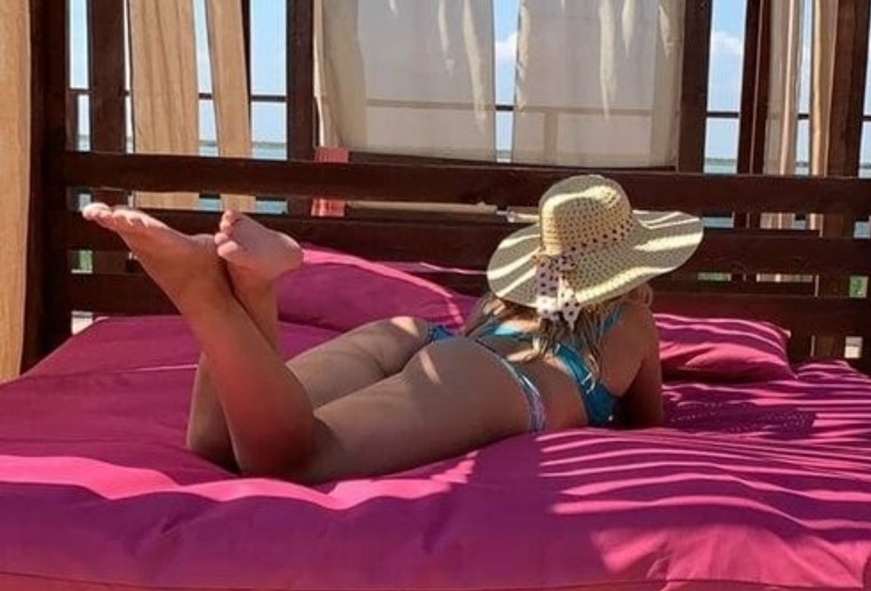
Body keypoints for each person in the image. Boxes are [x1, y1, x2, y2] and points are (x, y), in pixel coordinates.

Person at [81, 172, 703, 484]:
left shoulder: (506, 297)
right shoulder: (634, 321)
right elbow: (645, 424)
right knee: (287, 460)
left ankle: (251, 288)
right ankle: (206, 296)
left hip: (422, 337)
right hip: (494, 382)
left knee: (214, 441)